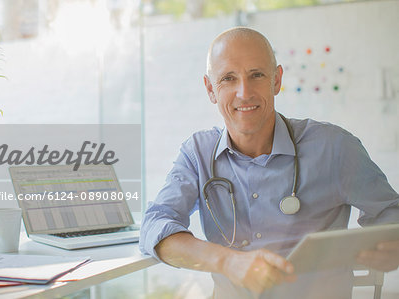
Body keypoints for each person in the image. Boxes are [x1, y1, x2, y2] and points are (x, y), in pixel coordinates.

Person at [139, 27, 399, 298]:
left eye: (257, 75)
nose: (244, 92)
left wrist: (392, 245)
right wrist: (228, 261)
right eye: (228, 78)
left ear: (276, 80)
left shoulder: (335, 148)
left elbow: (392, 214)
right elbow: (154, 225)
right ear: (210, 89)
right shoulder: (197, 154)